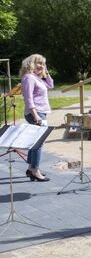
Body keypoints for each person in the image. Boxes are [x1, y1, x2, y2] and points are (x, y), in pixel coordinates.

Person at [20, 54, 53, 182]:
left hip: (40, 113)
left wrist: (46, 71)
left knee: (35, 142)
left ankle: (30, 169)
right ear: (31, 63)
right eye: (39, 63)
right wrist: (36, 116)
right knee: (39, 143)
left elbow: (50, 85)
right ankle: (35, 170)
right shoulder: (28, 78)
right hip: (36, 113)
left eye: (43, 63)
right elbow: (28, 98)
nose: (41, 66)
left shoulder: (37, 78)